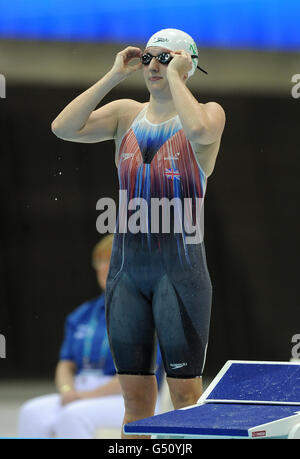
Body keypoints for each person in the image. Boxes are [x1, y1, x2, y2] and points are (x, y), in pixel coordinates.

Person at [51, 28, 226, 438]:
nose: (152, 66)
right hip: (126, 274)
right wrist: (114, 75)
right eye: (147, 57)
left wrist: (179, 78)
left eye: (164, 58)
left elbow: (200, 132)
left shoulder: (209, 112)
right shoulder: (126, 114)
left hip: (180, 275)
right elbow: (62, 127)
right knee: (135, 401)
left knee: (185, 396)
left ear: (187, 63)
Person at [18, 234, 164, 439]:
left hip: (129, 397)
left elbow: (140, 375)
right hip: (80, 391)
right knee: (31, 412)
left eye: (111, 260)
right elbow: (65, 364)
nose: (104, 267)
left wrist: (85, 397)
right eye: (100, 261)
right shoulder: (83, 313)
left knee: (73, 416)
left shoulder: (148, 312)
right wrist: (68, 389)